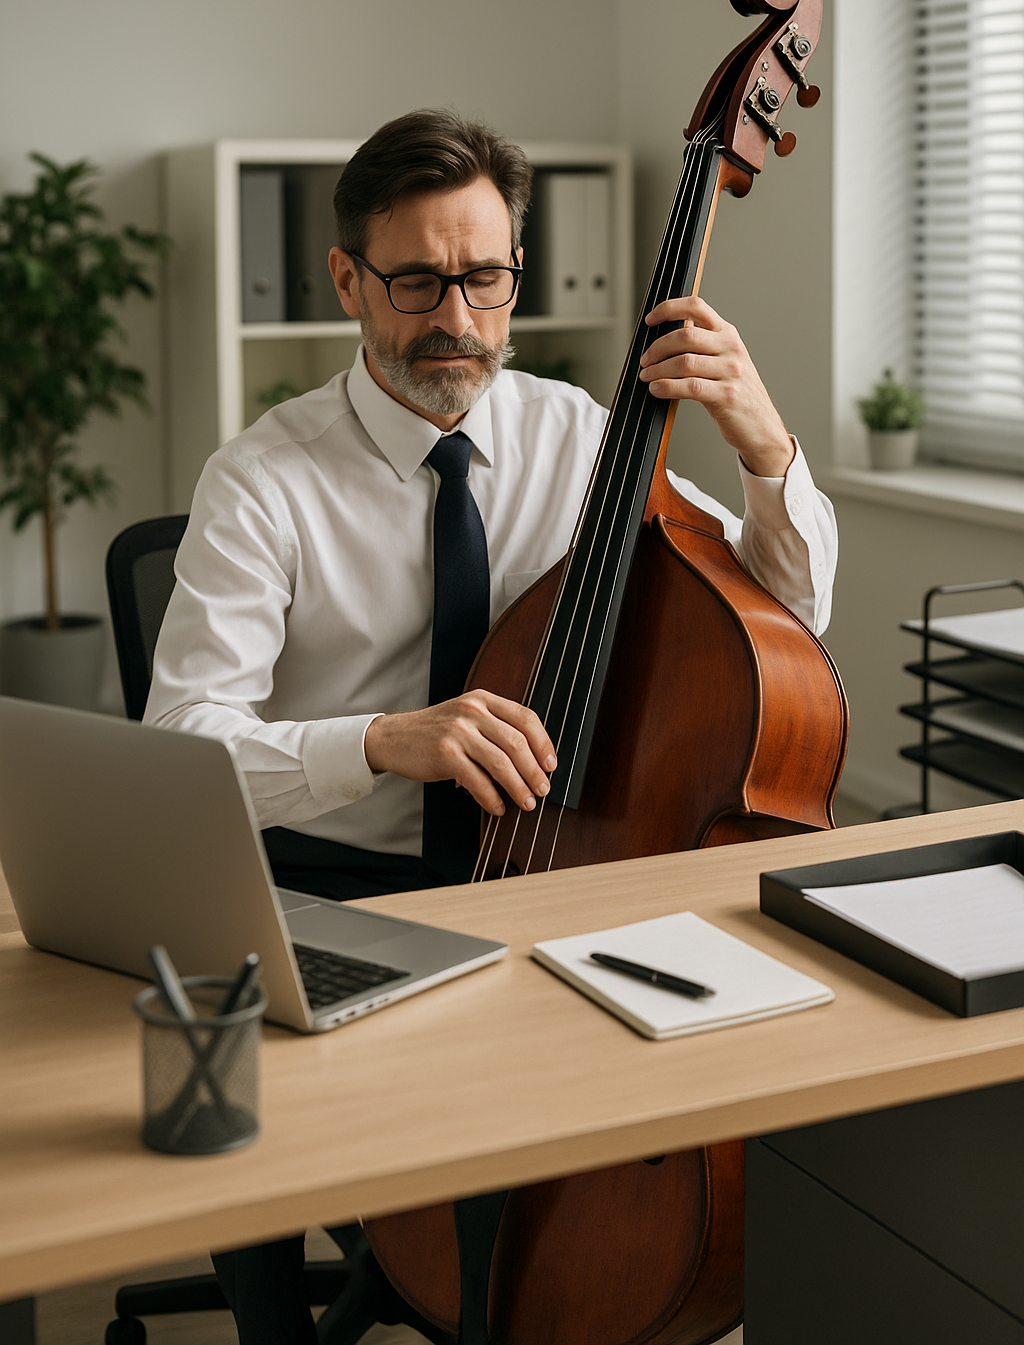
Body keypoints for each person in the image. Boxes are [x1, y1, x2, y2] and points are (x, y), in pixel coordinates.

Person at [144, 108, 837, 1344]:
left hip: (555, 866)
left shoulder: (582, 436)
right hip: (336, 882)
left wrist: (764, 445)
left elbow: (782, 615)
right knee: (242, 1071)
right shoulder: (260, 478)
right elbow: (182, 746)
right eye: (416, 282)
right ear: (348, 280)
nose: (457, 319)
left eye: (486, 277)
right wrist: (377, 740)